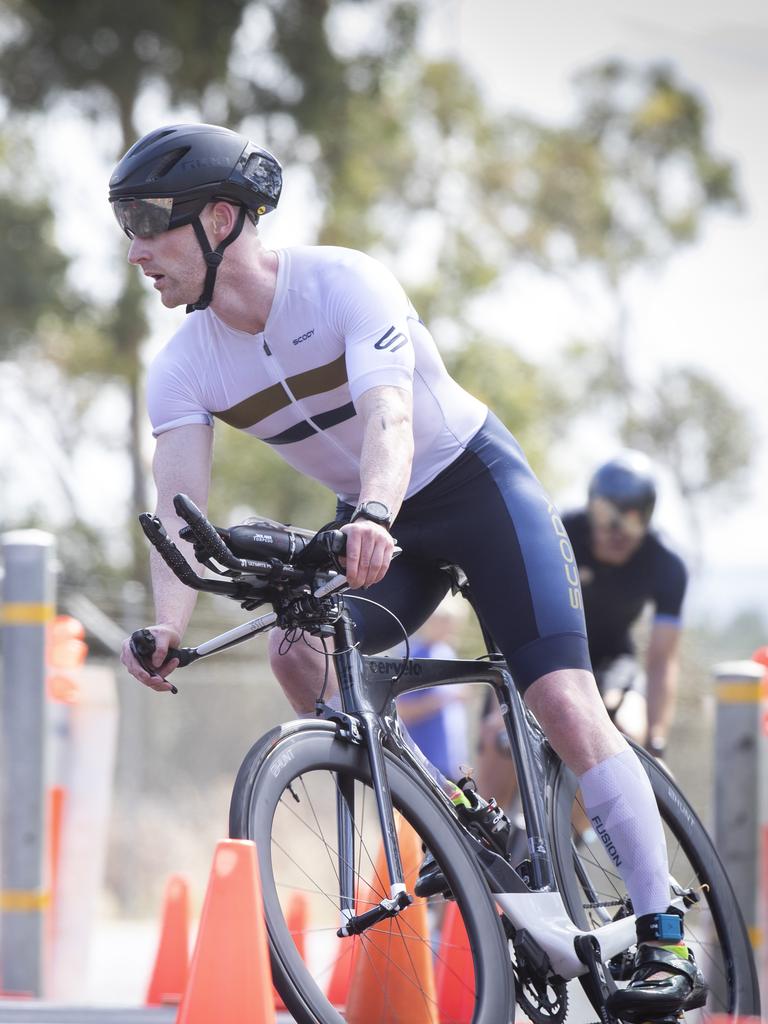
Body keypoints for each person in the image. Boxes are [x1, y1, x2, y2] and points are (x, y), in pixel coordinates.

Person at [113, 123, 706, 1020]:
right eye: (125, 224)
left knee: (561, 701)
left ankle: (662, 931)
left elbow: (390, 419)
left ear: (223, 217)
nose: (135, 249)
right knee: (296, 651)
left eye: (150, 221)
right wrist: (168, 625)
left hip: (468, 484)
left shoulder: (343, 282)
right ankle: (456, 814)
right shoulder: (184, 368)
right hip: (378, 517)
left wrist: (378, 515)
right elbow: (181, 521)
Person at [477, 450, 688, 805]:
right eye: (608, 518)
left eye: (633, 521)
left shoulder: (665, 563)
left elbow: (662, 660)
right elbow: (509, 610)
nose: (617, 533)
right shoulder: (559, 533)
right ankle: (481, 845)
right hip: (541, 651)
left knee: (627, 737)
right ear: (592, 509)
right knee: (501, 738)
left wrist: (657, 743)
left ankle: (569, 843)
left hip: (609, 661)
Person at [396, 595, 470, 783]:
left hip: (450, 763)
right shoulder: (415, 657)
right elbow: (402, 711)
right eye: (445, 622)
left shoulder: (448, 653)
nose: (452, 627)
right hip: (422, 763)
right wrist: (443, 700)